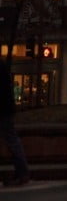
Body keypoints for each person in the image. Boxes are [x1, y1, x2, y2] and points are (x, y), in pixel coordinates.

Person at [0, 57, 28, 187]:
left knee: (12, 140)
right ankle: (22, 173)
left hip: (3, 109)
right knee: (12, 140)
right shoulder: (2, 66)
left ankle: (22, 173)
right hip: (6, 108)